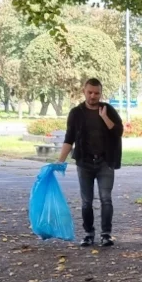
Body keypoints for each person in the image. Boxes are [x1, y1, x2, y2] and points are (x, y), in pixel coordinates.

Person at [57, 78, 123, 248]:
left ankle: (106, 235)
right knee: (86, 201)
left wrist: (105, 117)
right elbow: (69, 139)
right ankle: (88, 234)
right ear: (84, 92)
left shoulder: (108, 109)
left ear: (101, 93)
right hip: (84, 163)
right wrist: (59, 162)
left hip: (105, 162)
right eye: (90, 92)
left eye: (97, 93)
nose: (93, 96)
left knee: (105, 199)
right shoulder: (76, 113)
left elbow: (118, 131)